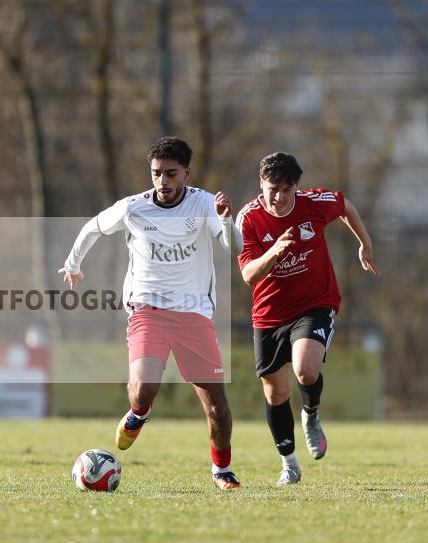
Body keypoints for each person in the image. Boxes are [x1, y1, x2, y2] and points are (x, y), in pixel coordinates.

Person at [60, 137, 243, 490]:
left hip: (194, 315)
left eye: (171, 174)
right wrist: (73, 265)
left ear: (186, 173)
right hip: (148, 311)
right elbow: (93, 227)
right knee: (144, 389)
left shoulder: (205, 204)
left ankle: (221, 470)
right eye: (157, 174)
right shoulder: (134, 208)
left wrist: (226, 220)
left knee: (217, 407)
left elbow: (233, 247)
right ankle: (139, 414)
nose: (163, 182)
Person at [236, 152, 379, 485]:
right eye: (273, 189)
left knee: (305, 368)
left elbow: (345, 206)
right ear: (262, 184)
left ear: (296, 188)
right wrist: (274, 252)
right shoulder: (249, 219)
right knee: (275, 393)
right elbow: (248, 275)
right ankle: (289, 464)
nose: (280, 197)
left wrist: (365, 243)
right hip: (270, 313)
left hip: (316, 303)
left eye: (287, 190)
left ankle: (311, 415)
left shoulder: (313, 203)